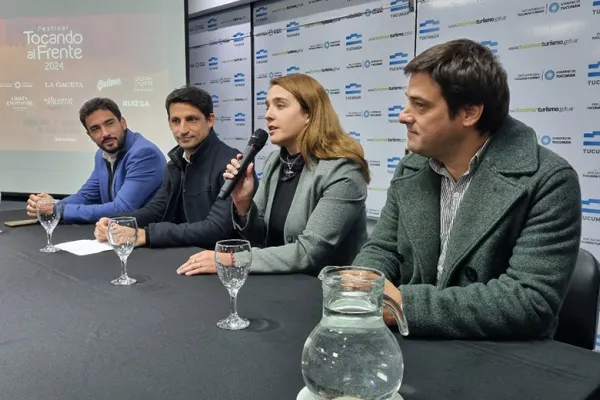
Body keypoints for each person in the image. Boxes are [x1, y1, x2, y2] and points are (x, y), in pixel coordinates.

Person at [352, 39, 582, 339]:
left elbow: (529, 301)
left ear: (469, 113)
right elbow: (384, 249)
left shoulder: (550, 180)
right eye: (408, 101)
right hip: (414, 346)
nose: (403, 115)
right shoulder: (412, 167)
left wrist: (403, 304)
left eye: (420, 105)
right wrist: (363, 283)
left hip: (501, 358)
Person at [176, 74, 370, 276]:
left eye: (280, 106)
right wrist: (243, 204)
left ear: (309, 114)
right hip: (279, 284)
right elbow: (259, 239)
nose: (268, 115)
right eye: (267, 106)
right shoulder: (276, 162)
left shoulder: (343, 171)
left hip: (323, 291)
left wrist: (232, 259)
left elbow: (308, 253)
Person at [94, 86, 243, 249]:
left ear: (210, 120)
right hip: (183, 256)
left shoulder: (232, 163)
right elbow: (156, 209)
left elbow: (216, 228)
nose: (182, 130)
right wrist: (116, 221)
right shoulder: (175, 163)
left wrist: (148, 234)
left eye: (192, 119)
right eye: (176, 121)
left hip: (218, 262)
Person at [26, 98, 165, 223]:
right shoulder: (102, 154)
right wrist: (52, 206)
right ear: (89, 134)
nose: (105, 133)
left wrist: (58, 210)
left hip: (147, 237)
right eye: (95, 129)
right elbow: (86, 196)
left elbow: (122, 209)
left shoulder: (143, 154)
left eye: (109, 123)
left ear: (123, 123)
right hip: (116, 232)